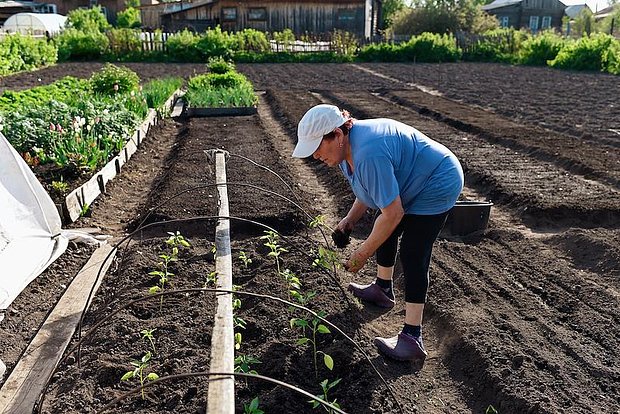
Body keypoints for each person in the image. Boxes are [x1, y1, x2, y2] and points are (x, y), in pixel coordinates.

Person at [292, 104, 463, 363]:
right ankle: (383, 289)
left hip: (438, 180)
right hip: (412, 179)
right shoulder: (344, 150)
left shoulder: (368, 152)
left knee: (413, 252)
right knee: (383, 225)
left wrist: (362, 254)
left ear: (337, 135)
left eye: (317, 147)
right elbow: (369, 190)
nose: (315, 156)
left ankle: (412, 337)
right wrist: (349, 220)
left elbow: (393, 213)